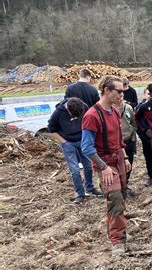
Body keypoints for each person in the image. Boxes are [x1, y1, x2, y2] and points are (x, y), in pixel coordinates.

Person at [81, 75, 132, 255]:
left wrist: (124, 157)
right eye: (119, 91)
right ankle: (117, 241)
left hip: (118, 158)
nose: (122, 95)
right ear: (107, 91)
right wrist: (104, 167)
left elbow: (118, 139)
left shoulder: (115, 111)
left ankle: (119, 228)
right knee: (115, 198)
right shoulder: (92, 115)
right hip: (105, 163)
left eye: (123, 92)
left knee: (122, 195)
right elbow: (86, 147)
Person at [48, 97, 103, 203]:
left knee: (88, 166)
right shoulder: (58, 113)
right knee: (75, 170)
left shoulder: (84, 106)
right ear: (68, 109)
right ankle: (80, 193)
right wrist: (64, 142)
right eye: (73, 116)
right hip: (68, 143)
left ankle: (90, 188)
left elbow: (90, 120)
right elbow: (51, 129)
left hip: (83, 141)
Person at [116, 95, 137, 197]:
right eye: (118, 96)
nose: (120, 98)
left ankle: (125, 185)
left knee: (129, 164)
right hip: (116, 142)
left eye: (121, 96)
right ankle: (118, 186)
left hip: (128, 140)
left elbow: (133, 123)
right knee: (118, 165)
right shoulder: (110, 109)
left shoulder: (128, 108)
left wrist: (133, 137)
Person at [135, 88, 152, 186]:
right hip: (146, 139)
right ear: (144, 95)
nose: (150, 95)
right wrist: (144, 136)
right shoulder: (139, 108)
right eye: (148, 93)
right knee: (149, 158)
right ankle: (151, 177)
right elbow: (137, 124)